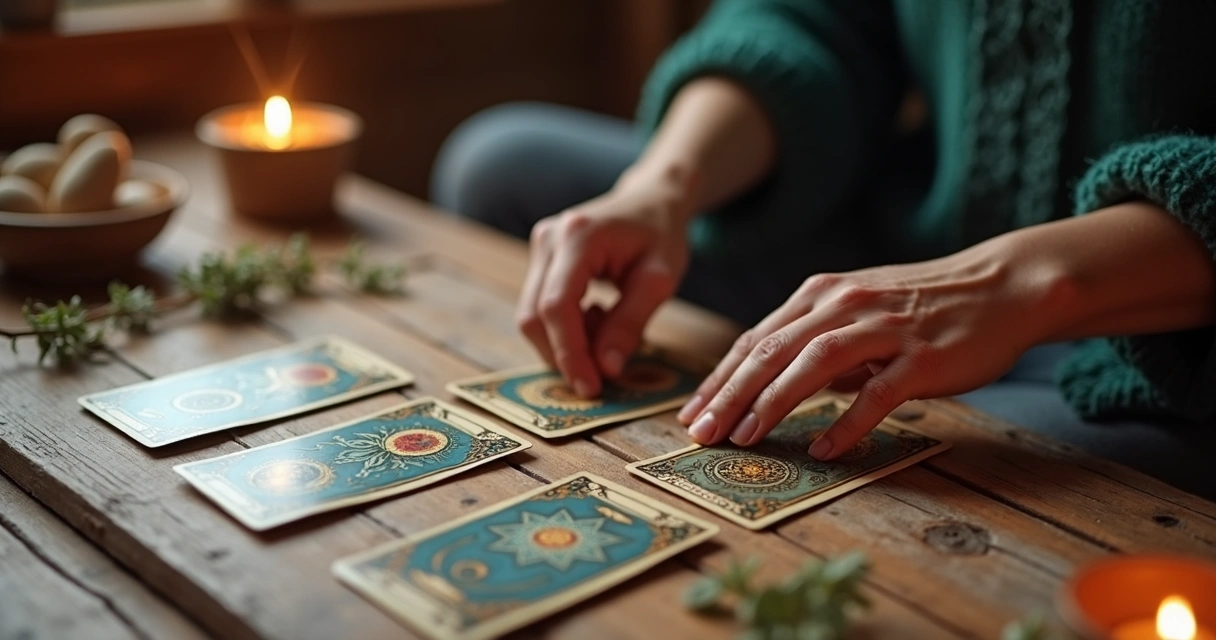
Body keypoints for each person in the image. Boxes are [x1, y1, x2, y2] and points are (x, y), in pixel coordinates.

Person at [432, 0, 1216, 498]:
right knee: (499, 164)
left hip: (1159, 349)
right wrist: (665, 185)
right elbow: (812, 20)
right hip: (907, 239)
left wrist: (1015, 286)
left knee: (891, 475)